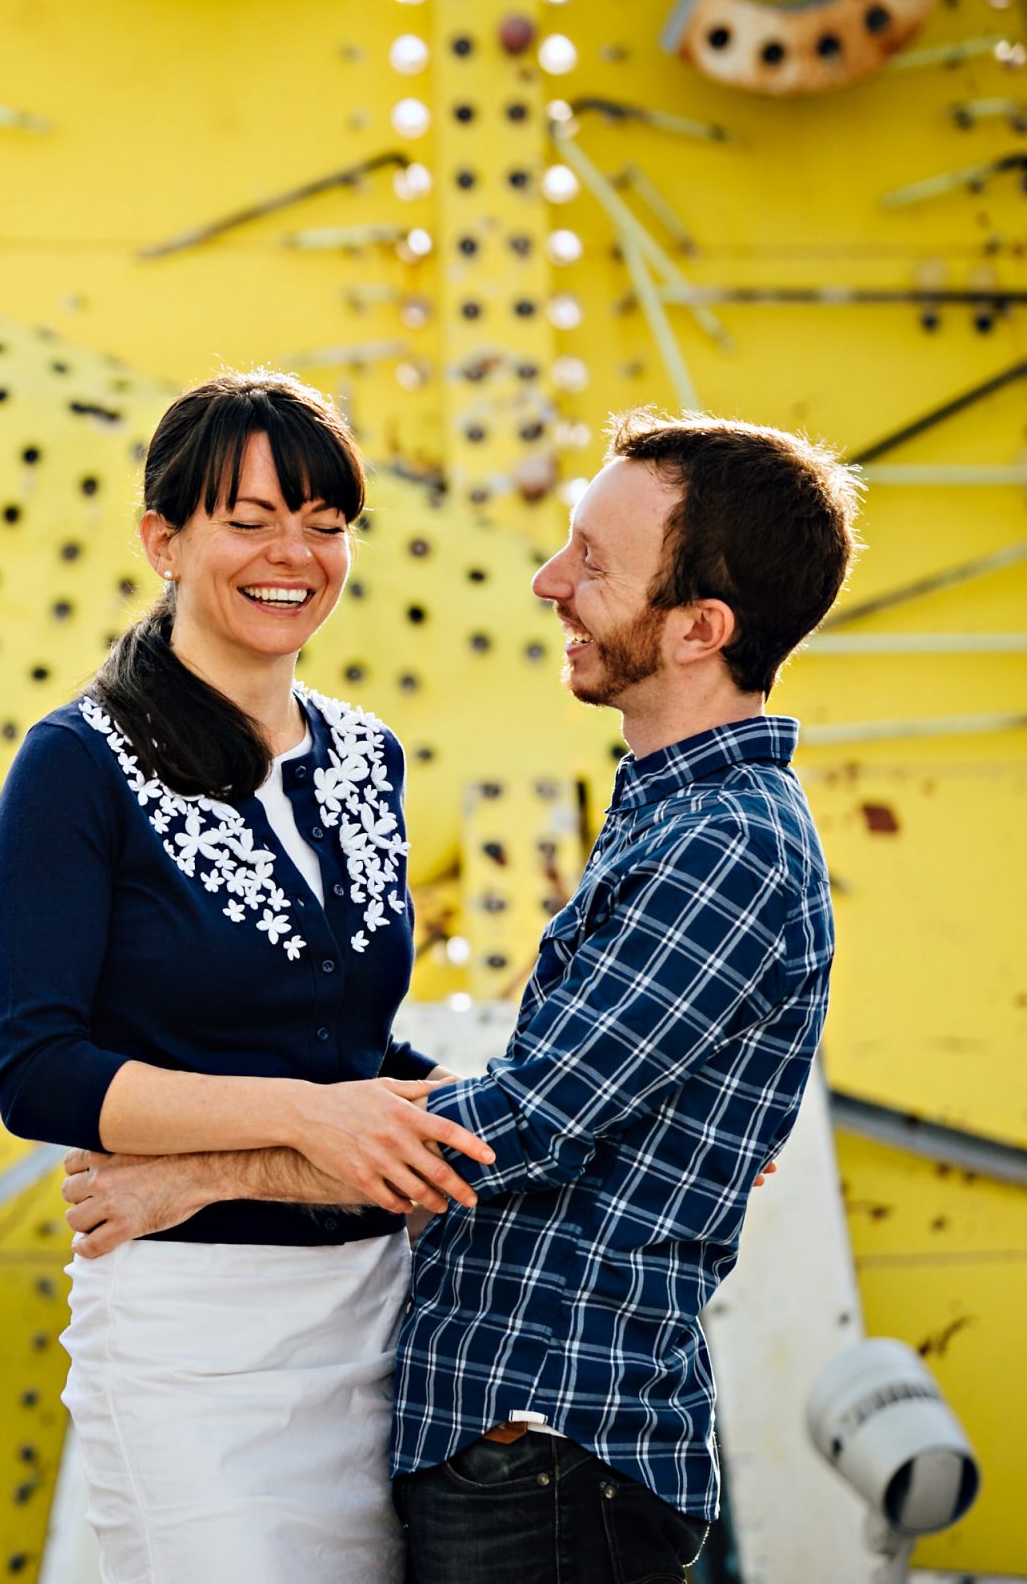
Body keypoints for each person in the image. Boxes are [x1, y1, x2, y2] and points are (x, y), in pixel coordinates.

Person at [58, 409, 864, 1584]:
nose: (550, 581)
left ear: (700, 628)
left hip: (549, 1447)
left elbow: (514, 1128)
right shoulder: (668, 815)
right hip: (507, 1442)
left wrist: (202, 1172)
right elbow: (546, 1108)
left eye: (593, 561)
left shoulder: (724, 845)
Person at [0, 369, 493, 1584]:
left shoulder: (370, 755)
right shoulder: (73, 764)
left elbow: (350, 1050)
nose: (294, 555)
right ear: (162, 538)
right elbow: (40, 1071)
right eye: (249, 519)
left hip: (380, 1316)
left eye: (325, 524)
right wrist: (302, 1114)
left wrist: (511, 1097)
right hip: (186, 1338)